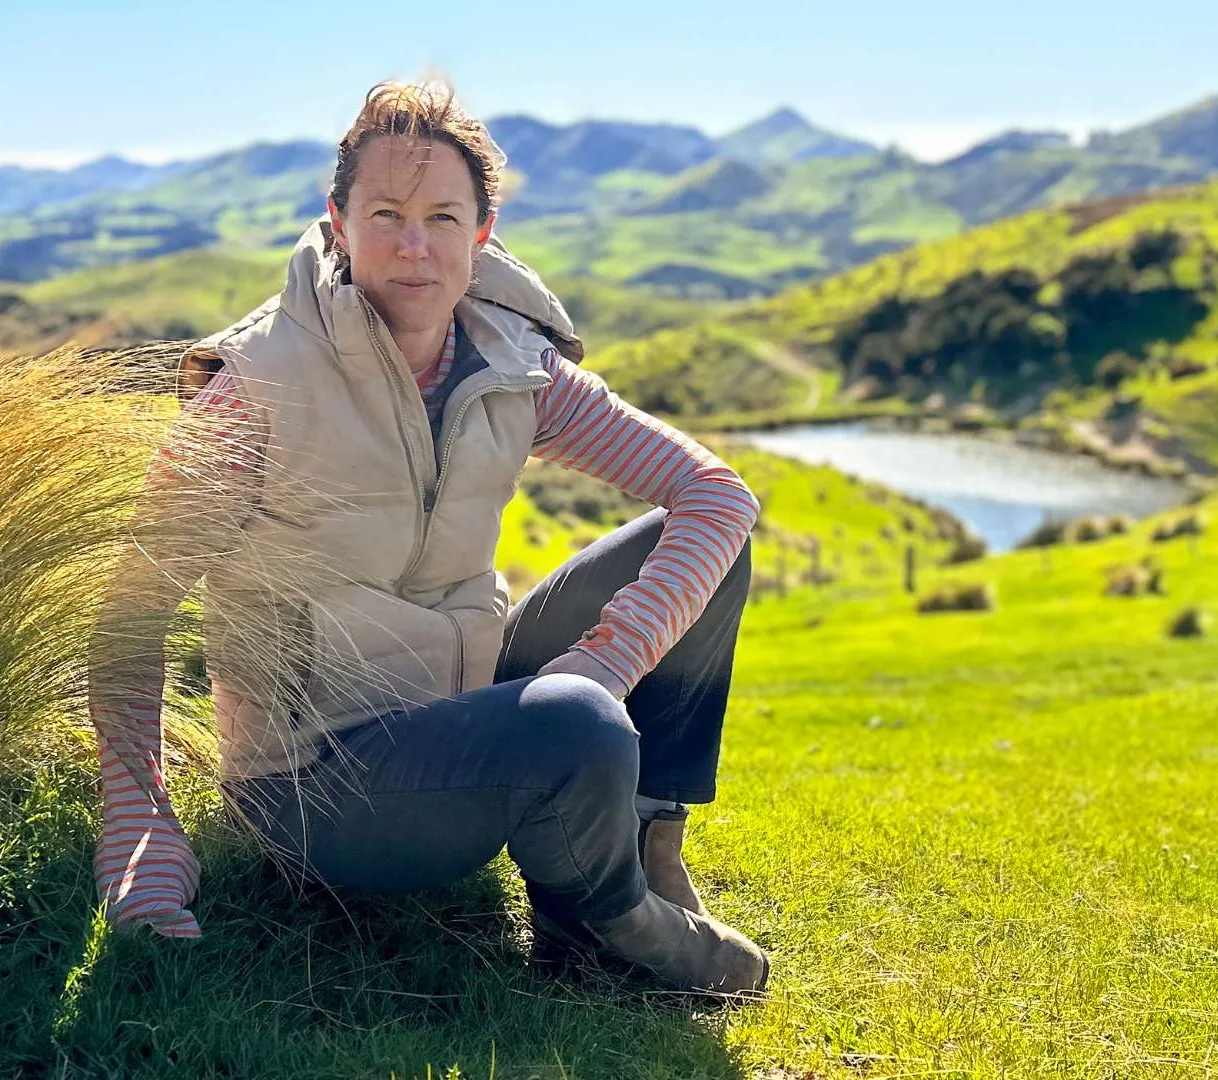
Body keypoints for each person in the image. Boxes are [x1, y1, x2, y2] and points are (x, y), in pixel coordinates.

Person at [88, 81, 770, 994]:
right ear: (337, 224)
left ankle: (643, 855)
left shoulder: (512, 368)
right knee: (574, 724)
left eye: (444, 217)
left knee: (695, 560)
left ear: (482, 234)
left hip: (463, 704)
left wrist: (606, 663)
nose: (416, 246)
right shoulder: (255, 390)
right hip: (319, 780)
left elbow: (715, 494)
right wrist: (142, 820)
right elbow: (131, 614)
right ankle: (620, 925)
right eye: (386, 214)